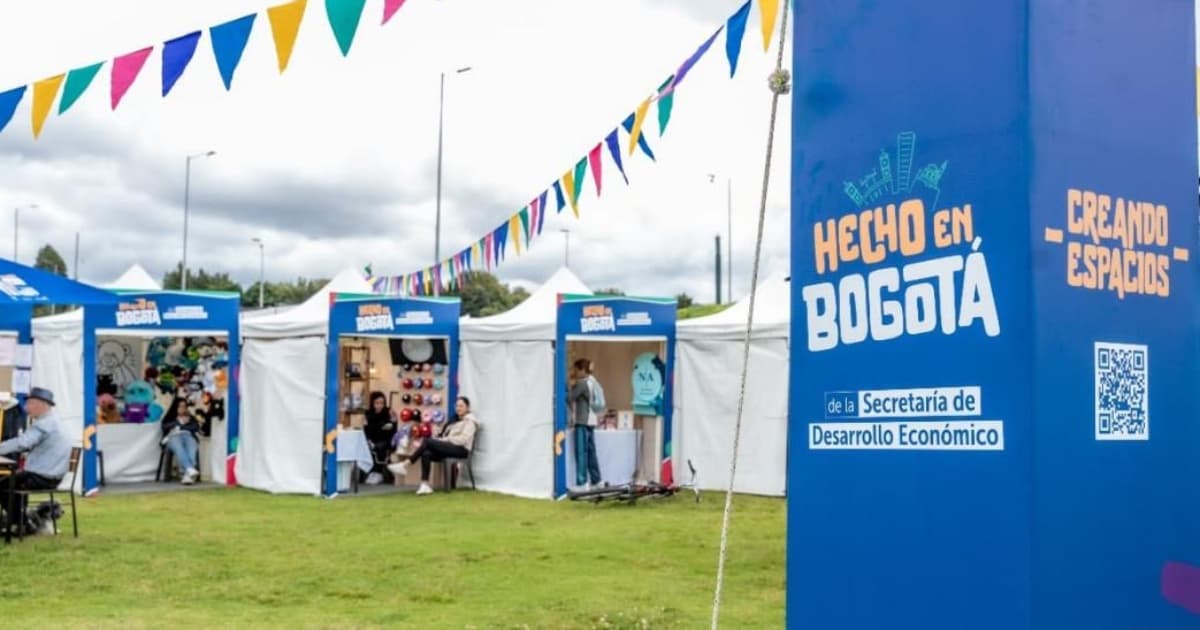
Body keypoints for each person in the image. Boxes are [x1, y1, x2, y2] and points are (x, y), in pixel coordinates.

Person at [0, 387, 70, 530]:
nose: (26, 408)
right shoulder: (54, 421)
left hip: (42, 476)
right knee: (11, 482)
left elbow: (22, 443)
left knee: (4, 485)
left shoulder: (44, 424)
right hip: (52, 476)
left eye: (30, 404)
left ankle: (20, 523)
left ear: (42, 405)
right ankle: (20, 521)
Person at [388, 396, 477, 496]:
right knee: (426, 453)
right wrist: (441, 438)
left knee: (427, 441)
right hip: (450, 447)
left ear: (467, 407)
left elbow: (463, 440)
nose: (458, 408)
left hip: (462, 450)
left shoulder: (470, 422)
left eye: (461, 406)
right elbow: (446, 436)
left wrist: (445, 440)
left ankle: (405, 464)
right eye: (457, 406)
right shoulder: (454, 421)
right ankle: (424, 485)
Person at [569, 358, 602, 489]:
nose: (575, 372)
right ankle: (596, 480)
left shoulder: (582, 384)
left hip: (582, 421)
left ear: (582, 370)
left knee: (581, 453)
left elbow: (569, 398)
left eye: (576, 370)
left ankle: (582, 482)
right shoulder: (593, 381)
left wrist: (570, 384)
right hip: (592, 421)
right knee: (591, 452)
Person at [160, 398, 201, 485]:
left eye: (184, 406)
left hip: (188, 435)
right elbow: (164, 426)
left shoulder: (189, 416)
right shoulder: (170, 415)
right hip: (173, 437)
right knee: (179, 446)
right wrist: (177, 422)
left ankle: (187, 475)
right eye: (180, 406)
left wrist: (183, 426)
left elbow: (196, 427)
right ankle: (189, 469)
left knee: (192, 448)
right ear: (176, 407)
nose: (182, 408)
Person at [363, 391, 398, 483]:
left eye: (382, 403)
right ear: (372, 403)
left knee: (380, 446)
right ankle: (369, 472)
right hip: (373, 439)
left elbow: (392, 430)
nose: (380, 406)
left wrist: (393, 421)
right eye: (377, 403)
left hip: (386, 439)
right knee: (366, 446)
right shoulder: (368, 414)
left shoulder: (388, 412)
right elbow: (367, 431)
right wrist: (369, 440)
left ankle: (377, 473)